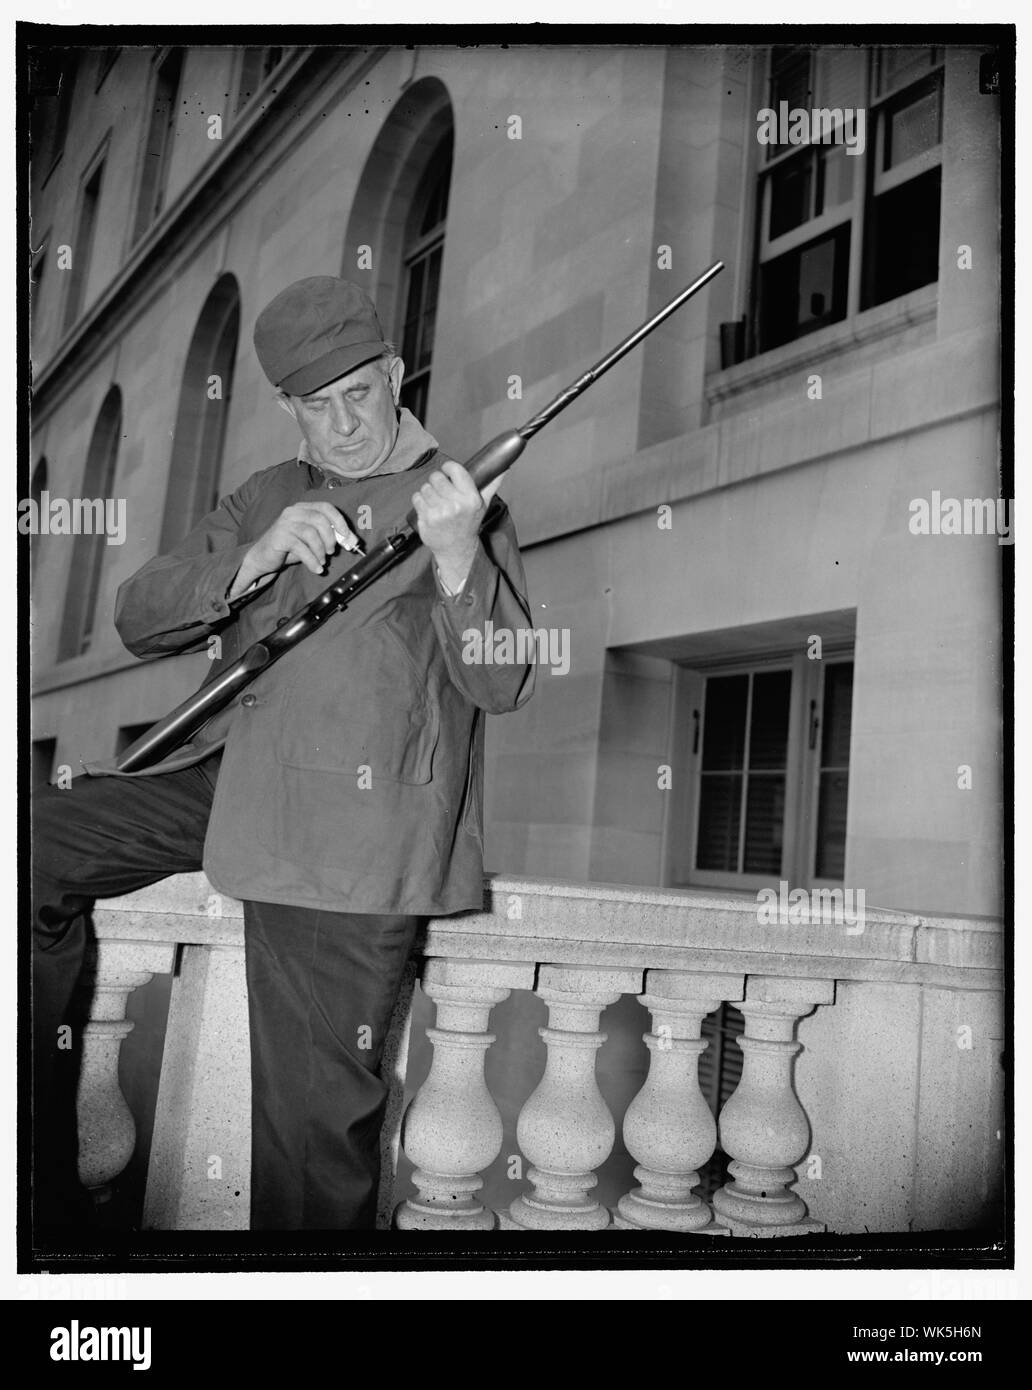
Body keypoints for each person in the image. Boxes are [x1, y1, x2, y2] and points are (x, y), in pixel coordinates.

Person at [31, 276, 536, 1234]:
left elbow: (505, 680)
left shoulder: (461, 499)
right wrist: (252, 557)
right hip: (222, 781)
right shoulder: (267, 492)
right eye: (317, 403)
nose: (343, 424)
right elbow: (138, 616)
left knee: (310, 1152)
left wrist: (458, 556)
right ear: (285, 406)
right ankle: (33, 1178)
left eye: (360, 393)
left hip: (348, 839)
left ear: (397, 374)